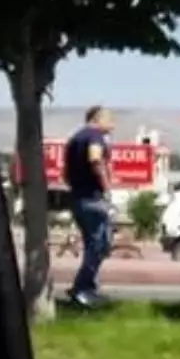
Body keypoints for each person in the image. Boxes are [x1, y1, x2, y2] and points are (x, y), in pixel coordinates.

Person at [63, 107, 115, 308]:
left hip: (78, 198)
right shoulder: (95, 136)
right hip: (93, 198)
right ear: (97, 119)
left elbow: (65, 173)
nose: (113, 124)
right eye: (110, 119)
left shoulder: (75, 138)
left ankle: (88, 288)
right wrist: (106, 187)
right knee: (100, 244)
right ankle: (82, 288)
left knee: (93, 244)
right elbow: (95, 159)